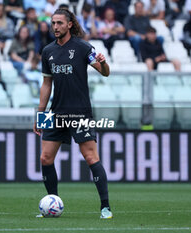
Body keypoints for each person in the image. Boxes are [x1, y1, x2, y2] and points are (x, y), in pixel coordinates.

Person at [33, 8, 113, 219]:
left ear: (69, 24)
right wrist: (40, 115)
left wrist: (103, 62)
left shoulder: (82, 47)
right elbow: (46, 84)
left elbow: (105, 73)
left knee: (90, 157)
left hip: (80, 112)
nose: (55, 27)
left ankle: (105, 207)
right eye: (53, 23)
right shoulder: (48, 51)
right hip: (55, 112)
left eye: (59, 23)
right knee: (45, 158)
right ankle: (52, 203)